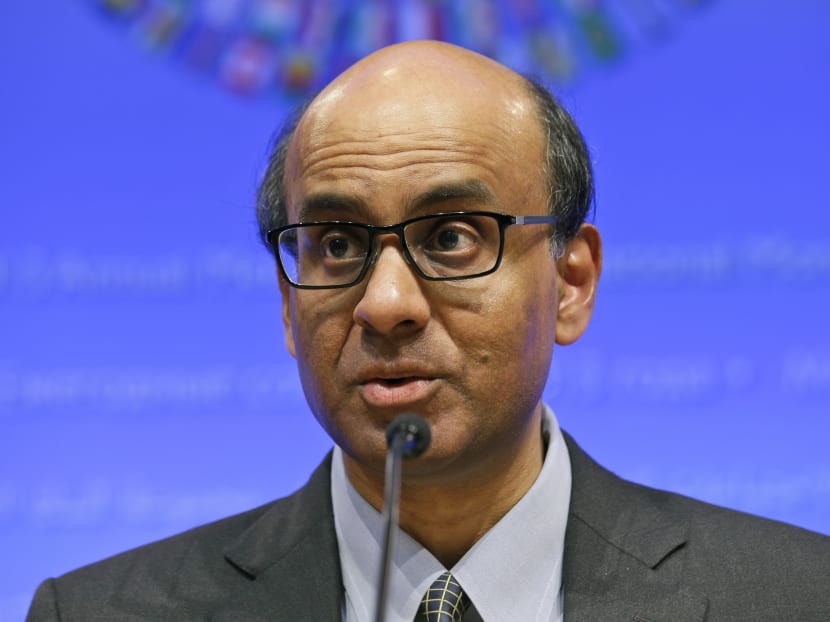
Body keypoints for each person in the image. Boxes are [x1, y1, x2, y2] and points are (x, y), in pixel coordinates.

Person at [27, 40, 829, 622]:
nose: (385, 304)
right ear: (284, 303)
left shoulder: (796, 597)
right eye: (336, 243)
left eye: (450, 236)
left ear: (571, 282)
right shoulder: (98, 613)